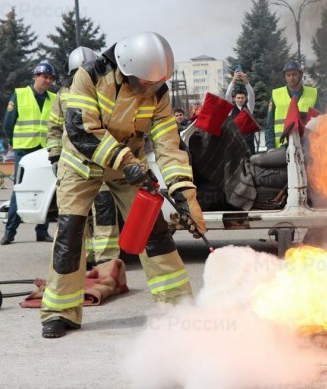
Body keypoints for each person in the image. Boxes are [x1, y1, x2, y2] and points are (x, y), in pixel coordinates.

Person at [40, 31, 206, 338]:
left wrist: (185, 194)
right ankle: (60, 311)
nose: (150, 88)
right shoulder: (88, 77)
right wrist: (128, 162)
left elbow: (169, 144)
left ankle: (178, 309)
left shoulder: (157, 91)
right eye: (144, 82)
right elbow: (82, 131)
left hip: (126, 168)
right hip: (82, 166)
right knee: (70, 236)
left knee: (154, 233)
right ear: (125, 68)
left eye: (155, 83)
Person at [47, 46, 120, 265]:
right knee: (76, 217)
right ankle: (83, 259)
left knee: (106, 214)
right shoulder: (63, 95)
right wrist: (55, 156)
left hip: (102, 161)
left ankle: (107, 262)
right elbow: (54, 128)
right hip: (75, 164)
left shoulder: (104, 89)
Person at [0, 61, 57, 245]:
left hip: (45, 150)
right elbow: (8, 124)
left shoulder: (54, 98)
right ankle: (10, 232)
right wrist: (14, 143)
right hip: (24, 150)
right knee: (20, 190)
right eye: (44, 77)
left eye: (50, 78)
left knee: (46, 188)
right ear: (35, 77)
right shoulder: (20, 94)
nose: (47, 81)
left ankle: (42, 231)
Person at [265, 61, 318, 150]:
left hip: (307, 146)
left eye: (294, 74)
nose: (291, 78)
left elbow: (320, 121)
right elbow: (269, 124)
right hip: (282, 147)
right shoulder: (276, 94)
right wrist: (270, 146)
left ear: (300, 75)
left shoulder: (312, 93)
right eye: (288, 75)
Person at [225, 68, 256, 154]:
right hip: (235, 142)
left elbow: (251, 94)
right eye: (238, 98)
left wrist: (246, 81)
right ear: (234, 99)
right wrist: (234, 79)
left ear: (245, 98)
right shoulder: (231, 110)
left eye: (242, 98)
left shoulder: (249, 108)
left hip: (248, 143)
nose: (240, 100)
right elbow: (227, 95)